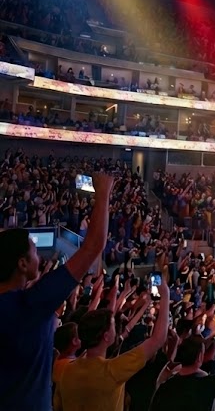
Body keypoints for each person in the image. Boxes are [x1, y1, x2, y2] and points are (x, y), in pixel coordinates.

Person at [0, 172, 113, 411]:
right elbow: (93, 246)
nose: (39, 256)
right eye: (33, 252)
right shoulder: (32, 304)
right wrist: (103, 192)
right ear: (21, 264)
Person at [54, 281, 170, 411]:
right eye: (113, 325)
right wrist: (165, 295)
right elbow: (157, 340)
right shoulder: (112, 370)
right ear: (106, 336)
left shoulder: (66, 372)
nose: (117, 327)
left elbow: (58, 406)